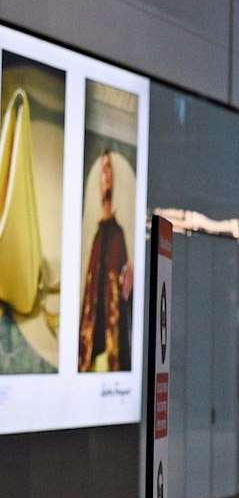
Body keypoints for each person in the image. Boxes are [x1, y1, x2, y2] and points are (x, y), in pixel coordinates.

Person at [77, 154, 132, 372]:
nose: (105, 176)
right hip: (94, 339)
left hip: (113, 335)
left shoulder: (117, 233)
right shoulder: (98, 233)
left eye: (109, 169)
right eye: (102, 170)